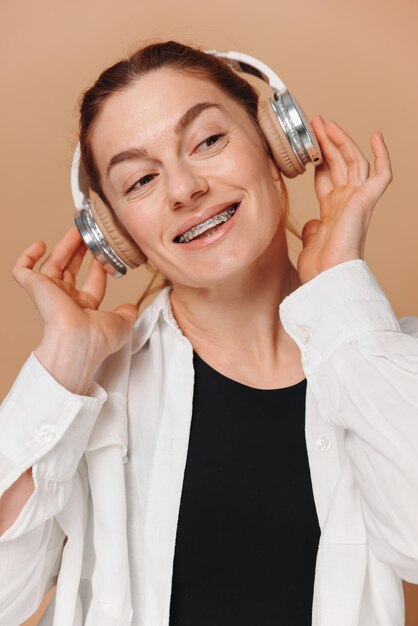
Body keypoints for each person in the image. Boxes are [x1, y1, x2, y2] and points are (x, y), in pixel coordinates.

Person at [0, 40, 417, 626]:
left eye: (209, 141)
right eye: (141, 180)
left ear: (278, 147)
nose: (183, 189)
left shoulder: (384, 357)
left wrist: (341, 292)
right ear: (117, 235)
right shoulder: (89, 396)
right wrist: (63, 361)